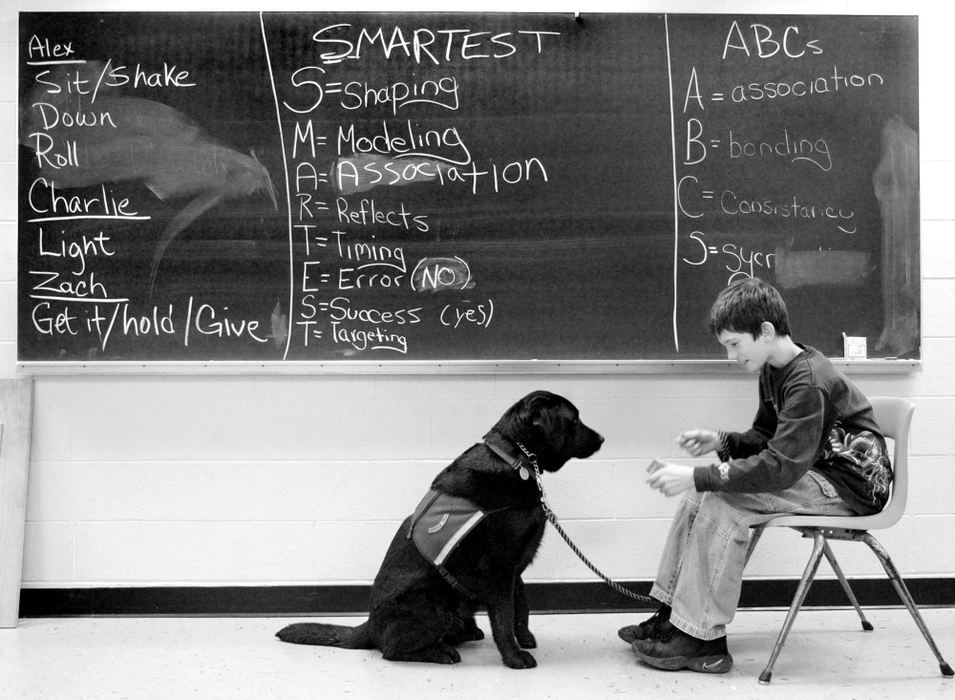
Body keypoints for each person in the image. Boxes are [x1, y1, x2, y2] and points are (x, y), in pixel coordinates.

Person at [619, 277, 892, 674]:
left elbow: (778, 467)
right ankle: (674, 616)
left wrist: (700, 475)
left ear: (764, 331)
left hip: (849, 486)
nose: (731, 355)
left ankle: (703, 639)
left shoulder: (808, 381)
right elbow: (767, 439)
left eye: (734, 344)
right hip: (813, 469)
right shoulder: (773, 369)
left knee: (724, 500)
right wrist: (721, 440)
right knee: (700, 495)